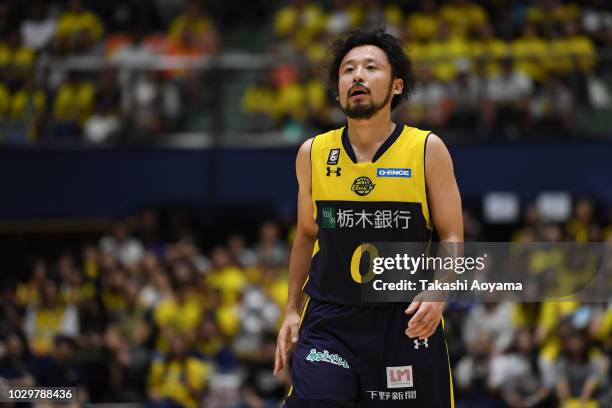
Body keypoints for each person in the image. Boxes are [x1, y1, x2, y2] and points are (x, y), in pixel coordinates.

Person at [274, 27, 463, 407]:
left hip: (403, 319)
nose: (357, 76)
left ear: (396, 86)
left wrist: (439, 294)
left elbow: (452, 238)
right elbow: (305, 236)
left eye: (370, 67)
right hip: (331, 320)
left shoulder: (427, 149)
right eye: (347, 70)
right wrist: (292, 309)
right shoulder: (312, 154)